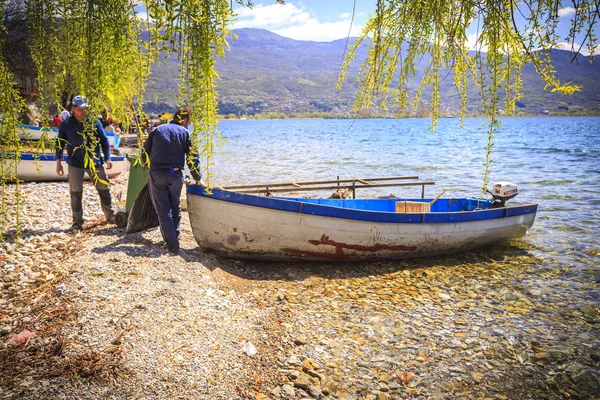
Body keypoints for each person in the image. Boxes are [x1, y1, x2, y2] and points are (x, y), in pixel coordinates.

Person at [142, 107, 202, 254]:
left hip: (157, 174)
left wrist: (146, 165)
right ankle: (174, 237)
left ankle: (172, 243)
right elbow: (192, 158)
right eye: (189, 121)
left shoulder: (158, 129)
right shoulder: (185, 133)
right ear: (185, 120)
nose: (189, 124)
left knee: (163, 210)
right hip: (175, 174)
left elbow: (145, 151)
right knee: (175, 206)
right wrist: (197, 177)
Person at [55, 95, 116, 232]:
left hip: (94, 161)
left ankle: (110, 215)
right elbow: (59, 143)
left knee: (103, 188)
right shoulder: (66, 124)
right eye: (81, 109)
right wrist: (58, 162)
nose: (84, 112)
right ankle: (77, 222)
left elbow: (104, 140)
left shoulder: (94, 122)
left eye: (86, 108)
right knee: (76, 192)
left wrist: (108, 158)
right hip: (75, 162)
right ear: (74, 108)